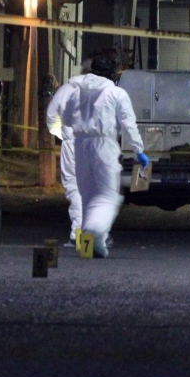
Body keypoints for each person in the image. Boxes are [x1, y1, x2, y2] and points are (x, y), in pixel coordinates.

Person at [60, 55, 147, 258]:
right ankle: (95, 230)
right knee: (108, 195)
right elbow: (128, 125)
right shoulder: (116, 93)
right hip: (104, 145)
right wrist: (139, 150)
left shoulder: (76, 91)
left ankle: (90, 246)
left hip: (80, 145)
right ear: (113, 74)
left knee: (87, 195)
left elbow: (66, 118)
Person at [46, 64, 89, 246]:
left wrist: (62, 134)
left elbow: (51, 117)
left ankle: (79, 234)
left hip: (74, 144)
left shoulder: (66, 90)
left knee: (75, 188)